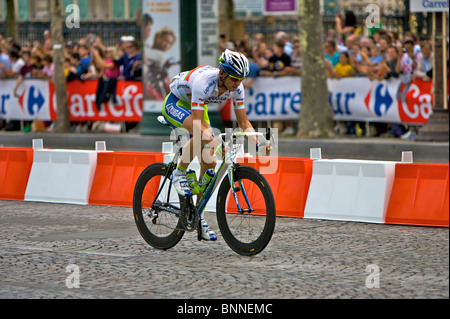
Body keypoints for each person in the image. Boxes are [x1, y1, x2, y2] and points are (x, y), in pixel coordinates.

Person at [161, 49, 269, 241]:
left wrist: (259, 143)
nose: (237, 84)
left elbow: (244, 124)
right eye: (234, 79)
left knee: (210, 163)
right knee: (205, 136)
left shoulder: (238, 88)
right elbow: (196, 126)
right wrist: (218, 143)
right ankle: (179, 172)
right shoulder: (203, 83)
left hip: (197, 105)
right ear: (222, 74)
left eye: (241, 79)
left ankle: (198, 214)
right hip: (176, 103)